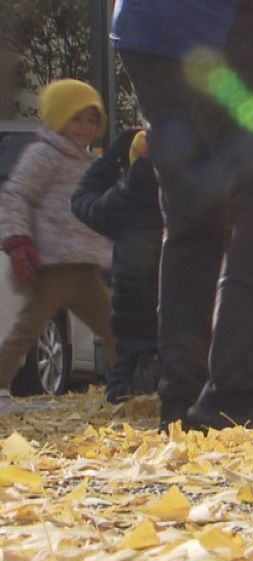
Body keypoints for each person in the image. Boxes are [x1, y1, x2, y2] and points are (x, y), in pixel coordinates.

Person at [111, 0, 253, 430]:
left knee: (192, 215)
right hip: (220, 31)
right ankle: (235, 390)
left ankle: (181, 397)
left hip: (143, 34)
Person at [0, 79, 119, 399]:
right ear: (57, 115)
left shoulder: (87, 161)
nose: (84, 127)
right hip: (53, 267)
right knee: (27, 331)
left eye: (92, 120)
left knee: (114, 328)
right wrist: (18, 239)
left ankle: (129, 386)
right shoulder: (44, 154)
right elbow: (15, 195)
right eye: (76, 117)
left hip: (85, 268)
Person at [71, 128, 163, 403]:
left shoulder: (121, 202)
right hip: (174, 304)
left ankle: (118, 401)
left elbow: (81, 200)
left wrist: (111, 160)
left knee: (126, 360)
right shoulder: (183, 201)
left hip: (131, 307)